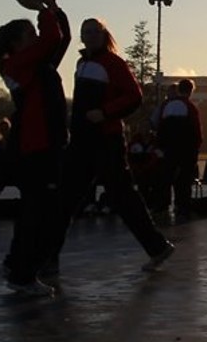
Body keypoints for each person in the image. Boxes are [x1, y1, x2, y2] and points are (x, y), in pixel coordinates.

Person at [52, 17, 174, 277]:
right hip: (82, 141)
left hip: (106, 141)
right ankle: (48, 258)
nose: (91, 35)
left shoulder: (114, 63)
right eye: (86, 31)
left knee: (123, 197)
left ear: (104, 34)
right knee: (65, 200)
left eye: (95, 31)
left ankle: (157, 247)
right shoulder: (82, 63)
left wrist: (105, 112)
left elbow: (134, 96)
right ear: (81, 36)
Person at [0, 0, 71, 295]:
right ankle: (22, 274)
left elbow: (60, 38)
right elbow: (53, 36)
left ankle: (16, 265)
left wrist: (53, 9)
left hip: (41, 144)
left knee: (35, 211)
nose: (38, 37)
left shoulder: (33, 63)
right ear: (16, 44)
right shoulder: (18, 62)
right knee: (45, 215)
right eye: (31, 35)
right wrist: (44, 10)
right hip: (37, 146)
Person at [157, 78, 203, 220]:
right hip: (186, 149)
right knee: (183, 179)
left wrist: (161, 146)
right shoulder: (189, 107)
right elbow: (194, 130)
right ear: (190, 91)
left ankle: (162, 206)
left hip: (169, 148)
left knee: (166, 178)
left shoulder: (168, 106)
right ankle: (181, 206)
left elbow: (161, 127)